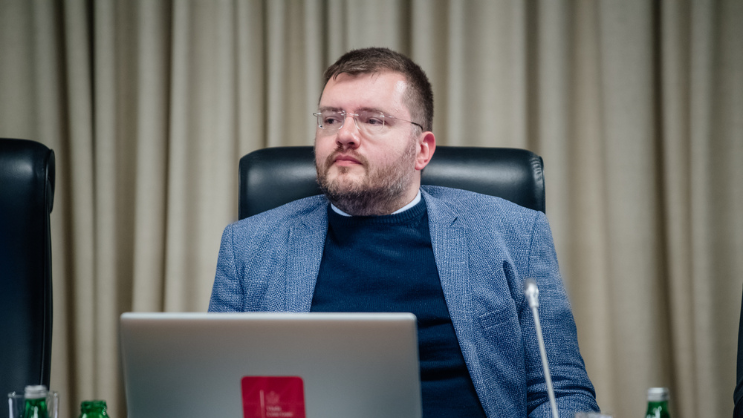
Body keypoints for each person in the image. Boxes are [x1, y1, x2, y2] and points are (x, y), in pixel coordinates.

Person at [209, 47, 599, 417]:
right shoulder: (248, 246)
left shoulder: (515, 233)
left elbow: (560, 392)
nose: (344, 134)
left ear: (422, 150)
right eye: (330, 119)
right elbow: (218, 391)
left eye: (372, 120)